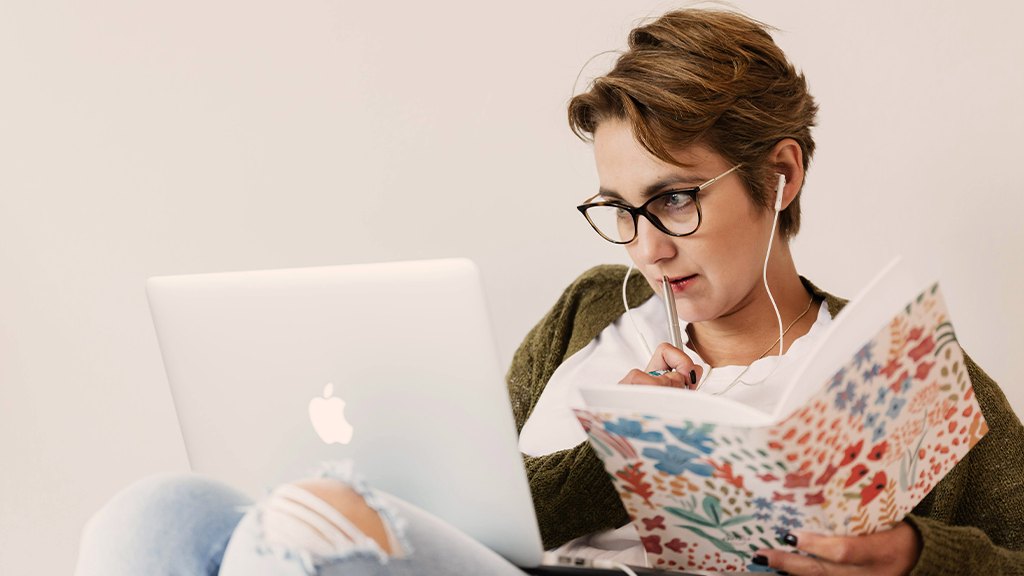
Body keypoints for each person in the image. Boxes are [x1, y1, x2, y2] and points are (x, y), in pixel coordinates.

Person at [75, 8, 1024, 576]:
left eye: (676, 201)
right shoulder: (588, 314)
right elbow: (469, 514)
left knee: (300, 528)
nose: (648, 248)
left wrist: (916, 557)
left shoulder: (901, 372)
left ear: (780, 174)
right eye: (619, 207)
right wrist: (617, 452)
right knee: (156, 515)